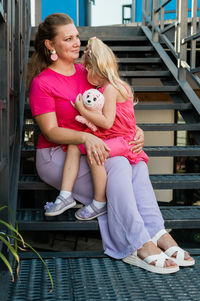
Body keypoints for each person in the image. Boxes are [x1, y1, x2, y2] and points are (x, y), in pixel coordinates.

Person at [27, 13, 195, 274]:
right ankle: (137, 244)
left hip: (96, 146)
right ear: (50, 45)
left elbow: (116, 109)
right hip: (58, 156)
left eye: (77, 38)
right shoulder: (43, 83)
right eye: (68, 39)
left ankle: (159, 233)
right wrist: (87, 136)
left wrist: (134, 130)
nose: (76, 44)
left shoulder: (89, 71)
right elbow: (50, 132)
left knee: (135, 164)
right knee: (117, 163)